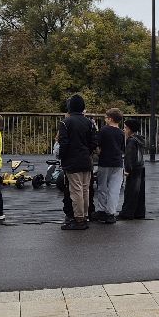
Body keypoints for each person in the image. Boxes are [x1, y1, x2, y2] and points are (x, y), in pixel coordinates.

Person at [58, 93, 98, 230]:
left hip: (71, 160)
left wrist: (62, 157)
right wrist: (87, 151)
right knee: (86, 189)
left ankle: (78, 219)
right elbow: (93, 142)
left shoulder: (65, 123)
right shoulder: (89, 122)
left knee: (76, 190)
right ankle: (85, 215)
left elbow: (63, 144)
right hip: (86, 160)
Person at [94, 108, 126, 224]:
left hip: (105, 162)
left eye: (106, 117)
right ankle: (111, 213)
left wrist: (98, 152)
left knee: (102, 187)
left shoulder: (104, 130)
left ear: (110, 118)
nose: (105, 119)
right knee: (114, 189)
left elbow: (97, 144)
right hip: (118, 163)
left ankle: (101, 210)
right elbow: (123, 148)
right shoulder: (121, 133)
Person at [119, 120, 146, 219]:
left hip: (133, 168)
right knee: (139, 192)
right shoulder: (139, 139)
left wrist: (127, 169)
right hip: (140, 167)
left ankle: (127, 213)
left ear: (130, 129)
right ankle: (139, 212)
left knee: (130, 191)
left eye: (125, 127)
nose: (124, 129)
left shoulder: (131, 141)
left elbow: (129, 156)